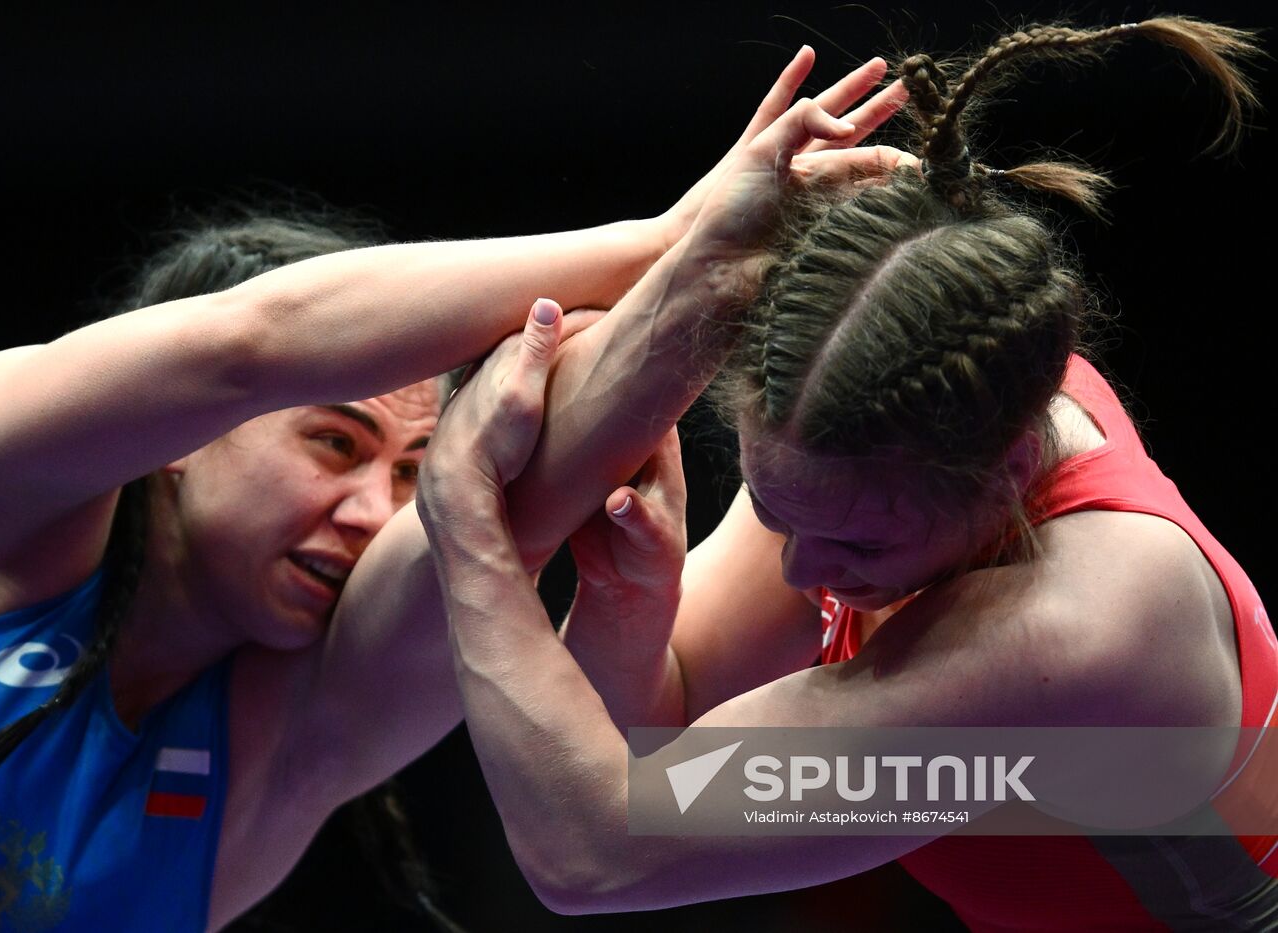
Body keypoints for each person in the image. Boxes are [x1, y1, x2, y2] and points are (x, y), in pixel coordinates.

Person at [0, 56, 904, 930]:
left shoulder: (287, 741)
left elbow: (507, 500)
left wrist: (720, 276)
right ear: (177, 442)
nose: (373, 512)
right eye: (333, 442)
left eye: (408, 471)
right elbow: (253, 345)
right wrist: (671, 237)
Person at [416, 17, 1277, 931]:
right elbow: (650, 740)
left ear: (1011, 467)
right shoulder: (891, 408)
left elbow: (595, 850)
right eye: (781, 518)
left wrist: (468, 531)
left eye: (855, 541)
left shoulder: (1075, 633)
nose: (802, 571)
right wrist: (630, 605)